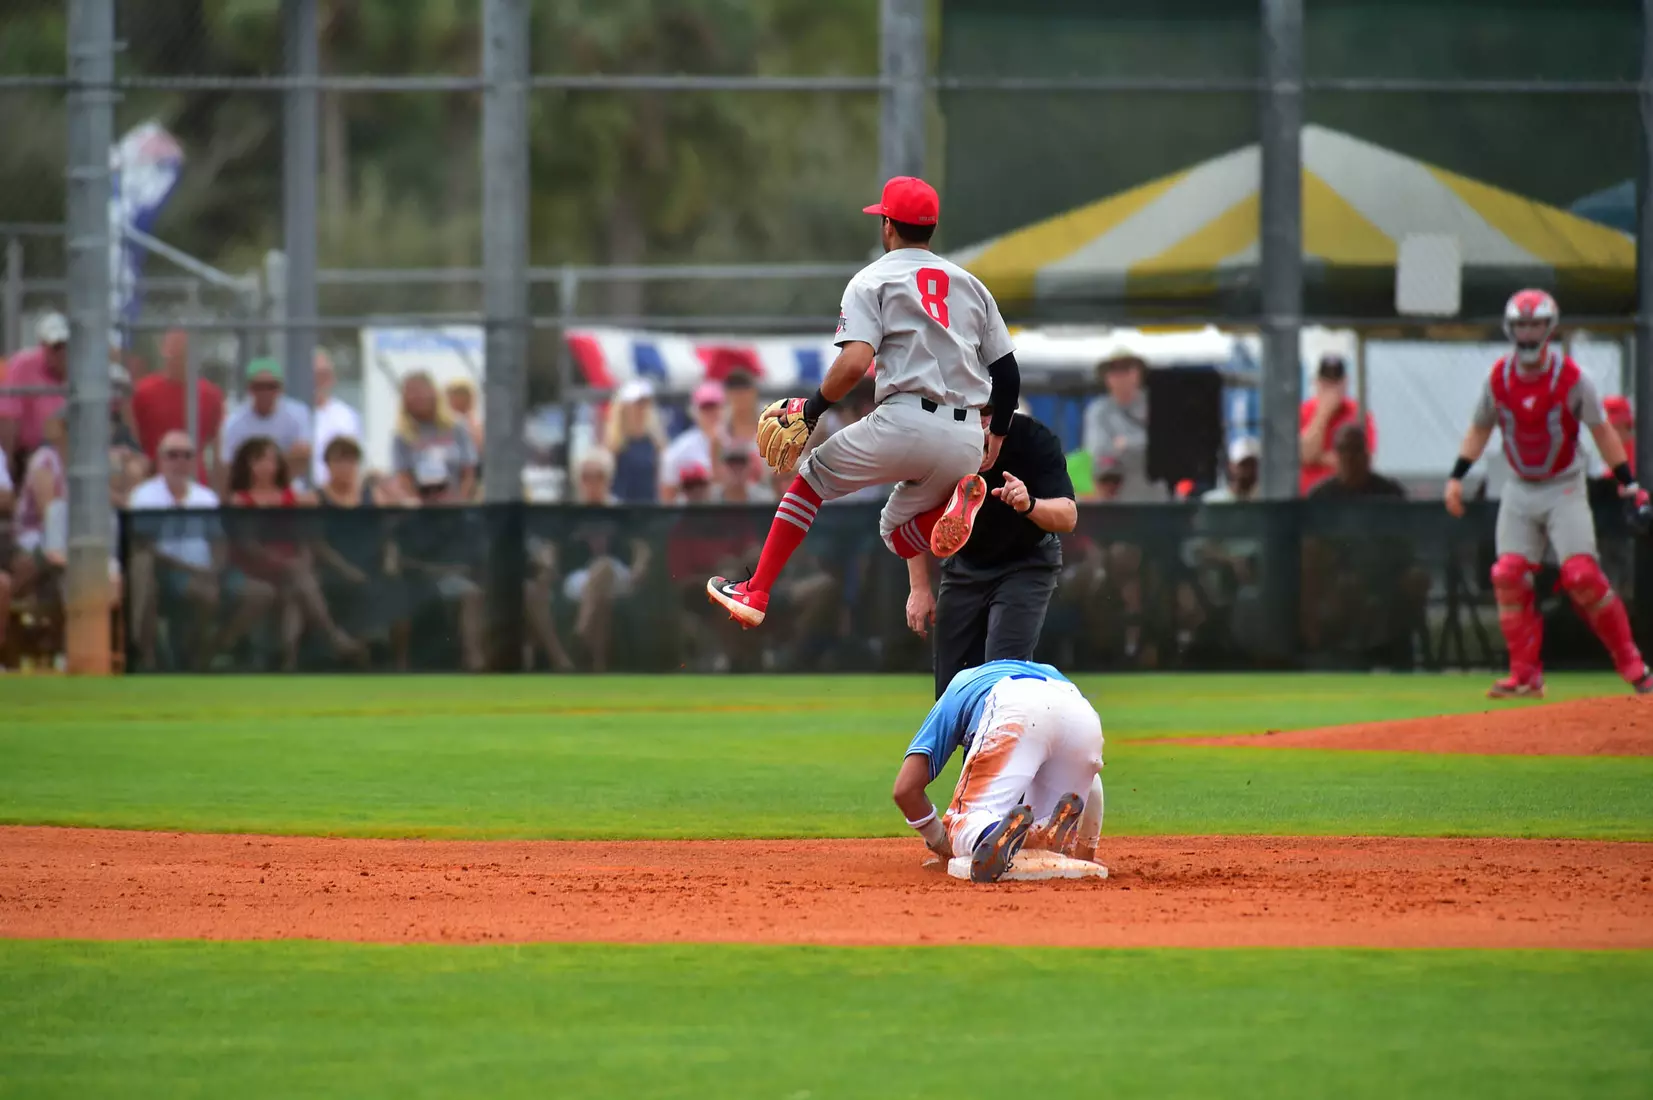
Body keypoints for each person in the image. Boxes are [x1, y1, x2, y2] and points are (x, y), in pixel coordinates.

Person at [708, 175, 1020, 628]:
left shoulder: (872, 279)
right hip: (966, 437)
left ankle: (756, 591)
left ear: (887, 225)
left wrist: (811, 410)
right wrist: (998, 433)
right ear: (931, 228)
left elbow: (855, 364)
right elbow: (1007, 374)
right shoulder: (971, 285)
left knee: (811, 480)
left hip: (904, 420)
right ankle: (947, 508)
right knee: (896, 530)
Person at [1445, 288, 1653, 698]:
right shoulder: (1498, 378)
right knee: (1508, 574)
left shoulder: (1572, 378)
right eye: (1521, 325)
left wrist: (1628, 482)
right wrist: (1457, 476)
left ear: (1550, 328)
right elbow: (1480, 428)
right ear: (1510, 329)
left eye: (1535, 324)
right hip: (1520, 487)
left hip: (1564, 486)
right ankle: (1524, 675)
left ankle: (1634, 666)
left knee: (1582, 576)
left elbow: (1601, 430)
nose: (1528, 333)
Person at [904, 407, 1077, 699]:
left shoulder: (1033, 438)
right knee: (951, 691)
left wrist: (1029, 504)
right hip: (965, 564)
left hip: (1026, 562)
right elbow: (909, 514)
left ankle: (1006, 724)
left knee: (1002, 677)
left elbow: (1068, 516)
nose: (983, 418)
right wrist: (919, 587)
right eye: (975, 408)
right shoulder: (938, 441)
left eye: (991, 410)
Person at [889, 659, 1104, 883]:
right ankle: (1043, 837)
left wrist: (941, 842)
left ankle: (988, 832)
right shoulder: (1048, 671)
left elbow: (905, 790)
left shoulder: (958, 687)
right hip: (1082, 715)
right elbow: (1093, 785)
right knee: (1040, 836)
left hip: (1013, 705)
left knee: (964, 824)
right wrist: (1087, 853)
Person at [126, 430, 273, 670]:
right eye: (173, 455)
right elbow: (143, 547)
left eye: (187, 455)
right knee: (206, 595)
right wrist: (193, 570)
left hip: (208, 570)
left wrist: (215, 568)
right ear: (160, 459)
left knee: (262, 593)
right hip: (167, 572)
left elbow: (218, 540)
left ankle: (213, 648)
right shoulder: (144, 496)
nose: (180, 461)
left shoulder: (206, 497)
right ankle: (187, 658)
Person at [131, 328, 224, 481]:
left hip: (194, 481)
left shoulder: (211, 395)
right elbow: (135, 438)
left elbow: (217, 448)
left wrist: (220, 488)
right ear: (163, 352)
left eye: (182, 354)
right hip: (154, 480)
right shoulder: (143, 392)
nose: (176, 360)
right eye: (172, 354)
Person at [220, 358, 312, 490]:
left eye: (271, 386)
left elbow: (303, 453)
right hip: (248, 487)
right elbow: (228, 463)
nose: (265, 392)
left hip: (290, 485)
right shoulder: (235, 421)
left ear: (280, 389)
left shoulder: (297, 413)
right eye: (259, 387)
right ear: (249, 389)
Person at [390, 371, 478, 503]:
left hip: (457, 505)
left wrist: (460, 501)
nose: (416, 397)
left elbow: (469, 472)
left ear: (433, 393)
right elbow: (403, 479)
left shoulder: (457, 428)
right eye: (411, 393)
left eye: (420, 391)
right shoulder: (402, 437)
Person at [0, 312, 68, 475]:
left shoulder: (84, 369)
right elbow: (8, 416)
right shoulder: (24, 365)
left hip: (71, 451)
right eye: (56, 347)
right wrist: (8, 466)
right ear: (43, 346)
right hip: (32, 453)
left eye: (66, 346)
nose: (62, 352)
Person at [1299, 353, 1376, 496]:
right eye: (1326, 383)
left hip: (1347, 495)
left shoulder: (1358, 414)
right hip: (1309, 496)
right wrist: (1322, 414)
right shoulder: (1303, 412)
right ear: (1317, 383)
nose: (1331, 389)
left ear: (1345, 383)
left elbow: (1361, 462)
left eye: (1335, 383)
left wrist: (1318, 457)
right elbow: (1305, 454)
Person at [1081, 354, 1154, 501]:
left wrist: (1126, 444)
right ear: (1106, 377)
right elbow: (1098, 456)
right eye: (1114, 370)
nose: (1121, 377)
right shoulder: (1098, 411)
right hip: (1117, 501)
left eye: (1127, 369)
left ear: (1139, 372)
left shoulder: (1159, 405)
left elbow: (1165, 449)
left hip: (1157, 497)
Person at [659, 380, 727, 504]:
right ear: (695, 411)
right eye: (705, 408)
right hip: (694, 512)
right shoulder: (679, 449)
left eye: (714, 407)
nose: (711, 413)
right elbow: (668, 497)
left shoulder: (737, 443)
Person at [604, 380, 667, 504]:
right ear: (624, 407)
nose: (642, 408)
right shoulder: (614, 446)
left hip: (650, 509)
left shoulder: (656, 443)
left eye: (645, 403)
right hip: (623, 510)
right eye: (638, 403)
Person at [1307, 423, 1406, 500]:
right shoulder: (1320, 497)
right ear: (1335, 456)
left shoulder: (1389, 495)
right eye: (1343, 449)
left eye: (1355, 449)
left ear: (1367, 456)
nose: (1349, 456)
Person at [309, 349, 363, 488]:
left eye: (324, 374)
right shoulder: (296, 414)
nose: (320, 380)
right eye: (316, 375)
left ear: (333, 378)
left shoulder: (346, 416)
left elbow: (353, 458)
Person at [1203, 437, 1260, 503]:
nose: (1248, 470)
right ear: (1231, 465)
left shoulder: (1263, 499)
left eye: (1252, 465)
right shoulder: (1212, 501)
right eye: (1243, 464)